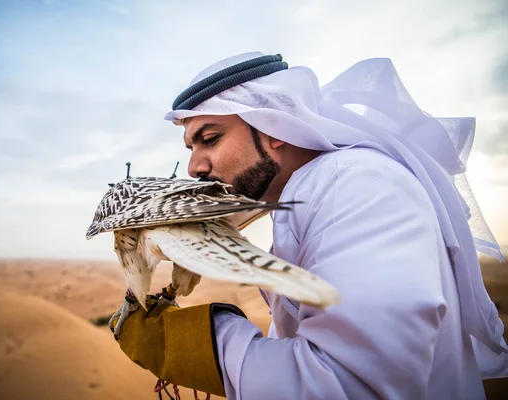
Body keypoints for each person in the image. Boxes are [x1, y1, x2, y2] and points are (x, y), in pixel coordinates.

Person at [110, 52, 507, 399]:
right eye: (191, 148)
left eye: (209, 138)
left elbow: (345, 385)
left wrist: (193, 340)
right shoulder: (315, 190)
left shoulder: (356, 184)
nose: (195, 166)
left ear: (272, 126)